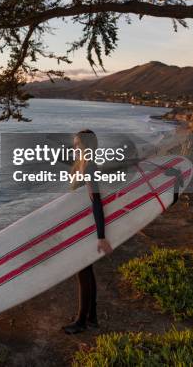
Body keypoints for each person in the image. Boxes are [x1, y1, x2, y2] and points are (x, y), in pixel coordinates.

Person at [63, 129, 113, 334]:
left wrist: (101, 237)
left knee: (82, 271)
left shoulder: (89, 167)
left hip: (89, 229)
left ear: (84, 146)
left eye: (76, 145)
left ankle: (81, 321)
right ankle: (92, 317)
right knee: (87, 271)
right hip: (86, 226)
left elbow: (96, 203)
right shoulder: (85, 165)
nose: (74, 148)